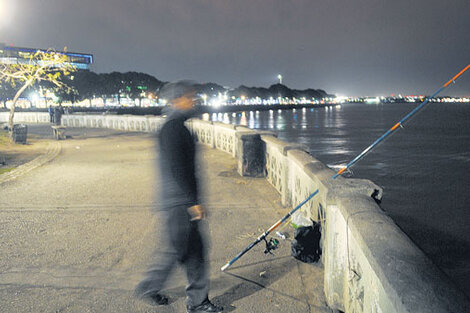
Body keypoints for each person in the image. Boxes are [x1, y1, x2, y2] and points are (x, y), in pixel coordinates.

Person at [134, 82, 223, 313]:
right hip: (179, 202)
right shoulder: (173, 128)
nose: (193, 101)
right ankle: (193, 301)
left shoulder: (175, 126)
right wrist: (192, 201)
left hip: (177, 200)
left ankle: (189, 298)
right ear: (177, 100)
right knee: (185, 251)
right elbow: (178, 168)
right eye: (189, 97)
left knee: (186, 250)